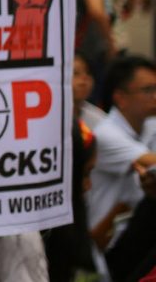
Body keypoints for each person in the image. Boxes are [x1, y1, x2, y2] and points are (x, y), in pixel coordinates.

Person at [87, 56, 156, 279]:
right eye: (148, 90)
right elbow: (150, 163)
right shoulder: (106, 134)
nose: (155, 96)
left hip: (136, 233)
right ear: (121, 98)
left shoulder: (149, 124)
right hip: (108, 243)